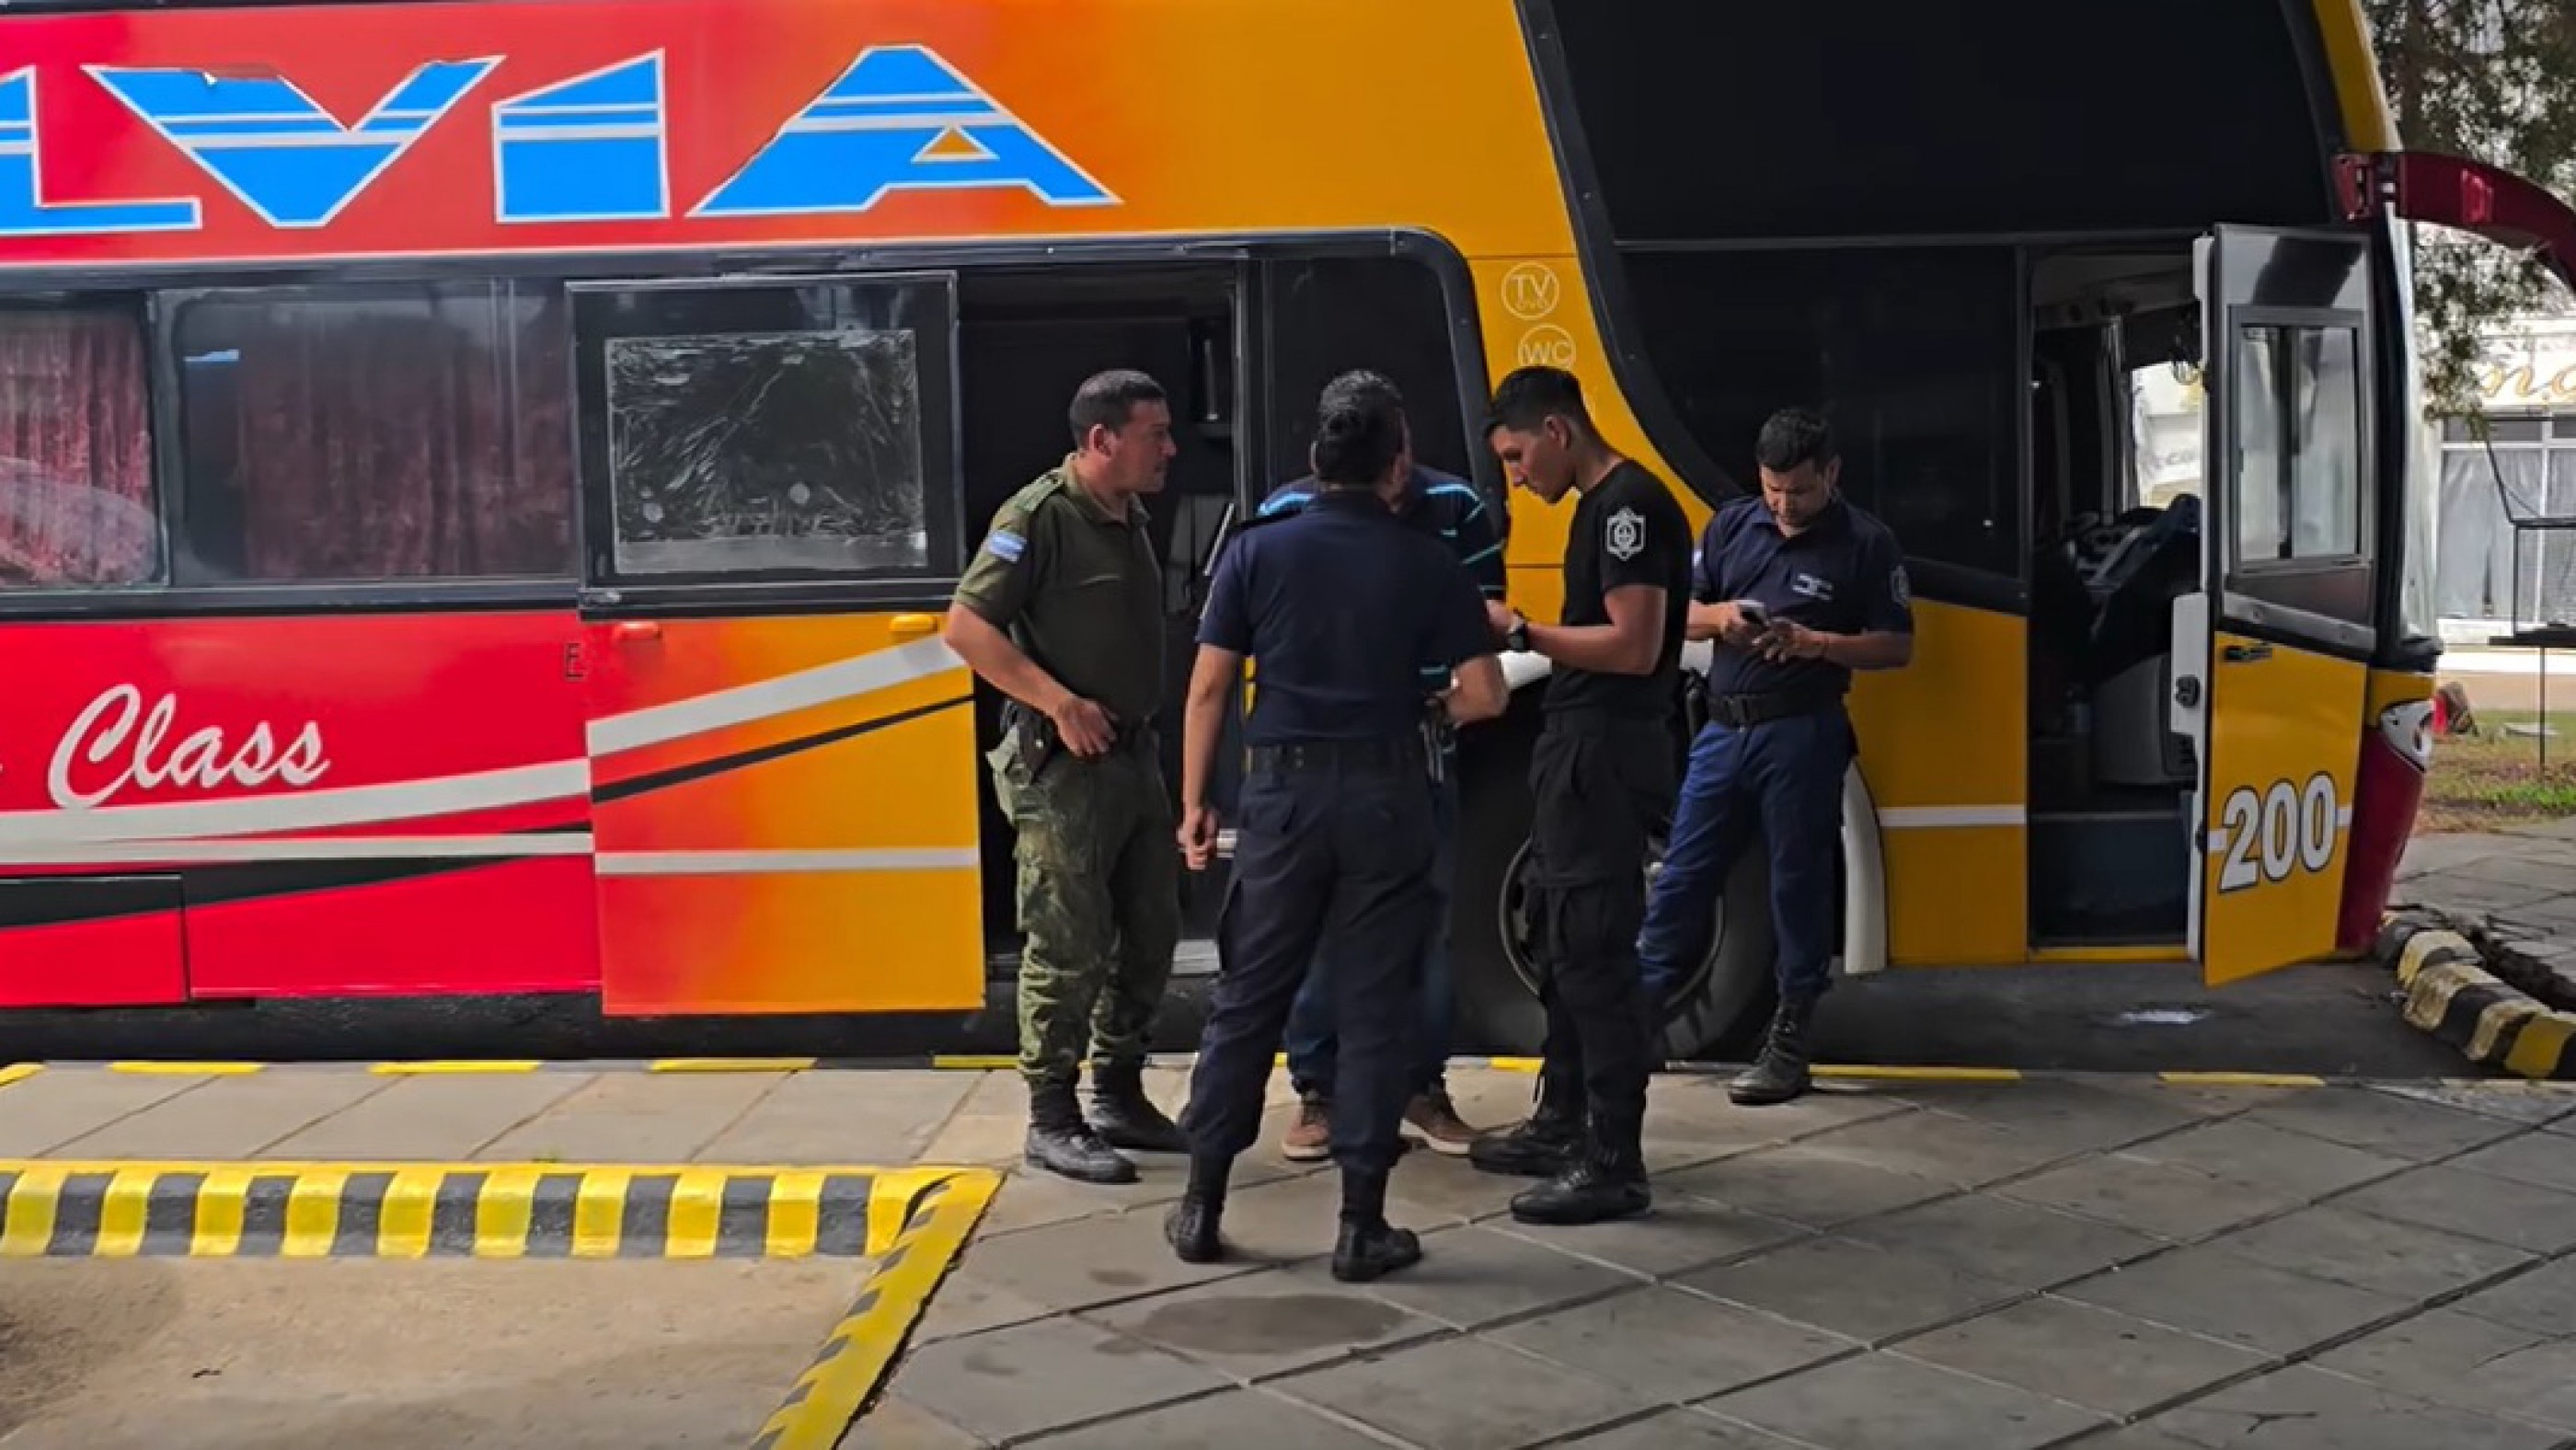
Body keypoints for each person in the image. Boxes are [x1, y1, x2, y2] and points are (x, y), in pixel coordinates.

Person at [1166, 374, 1507, 1282]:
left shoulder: (1256, 548)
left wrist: (1197, 800)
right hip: (1388, 796)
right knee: (1374, 1001)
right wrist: (1423, 709)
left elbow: (1207, 686)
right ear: (1398, 461)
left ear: (1317, 460)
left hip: (1280, 800)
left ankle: (1201, 1205)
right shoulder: (1428, 561)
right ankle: (1361, 1226)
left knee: (1250, 995)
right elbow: (1486, 693)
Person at [944, 369, 1191, 1185]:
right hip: (1065, 768)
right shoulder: (1038, 517)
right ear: (1101, 441)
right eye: (1154, 434)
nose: (1169, 448)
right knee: (1066, 940)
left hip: (1132, 759)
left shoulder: (1128, 514)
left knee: (1150, 931)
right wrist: (1059, 703)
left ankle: (1118, 1091)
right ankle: (1052, 1117)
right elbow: (967, 627)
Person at [1254, 372, 1509, 1162]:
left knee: (1426, 925)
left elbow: (1486, 626)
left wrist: (1432, 703)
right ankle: (1319, 1092)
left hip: (1420, 741)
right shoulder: (1285, 515)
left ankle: (1420, 1085)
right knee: (1320, 926)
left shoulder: (1456, 510)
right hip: (1320, 750)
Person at [1634, 407, 1914, 1107]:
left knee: (1797, 885)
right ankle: (1635, 1020)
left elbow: (1896, 645)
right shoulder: (1731, 526)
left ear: (1831, 474)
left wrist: (1816, 643)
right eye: (1773, 490)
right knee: (1683, 874)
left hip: (1803, 732)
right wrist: (1723, 619)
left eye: (1800, 491)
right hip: (1725, 732)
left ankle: (1789, 1042)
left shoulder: (1866, 544)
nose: (1786, 506)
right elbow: (1677, 615)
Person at [1470, 365, 1690, 1226]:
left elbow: (1634, 646)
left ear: (1558, 431)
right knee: (1559, 941)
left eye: (1520, 455)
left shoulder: (1628, 510)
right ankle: (1561, 1120)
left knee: (1595, 951)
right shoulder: (1600, 509)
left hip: (1607, 752)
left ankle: (1612, 1160)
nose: (1518, 475)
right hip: (1575, 750)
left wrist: (1521, 632)